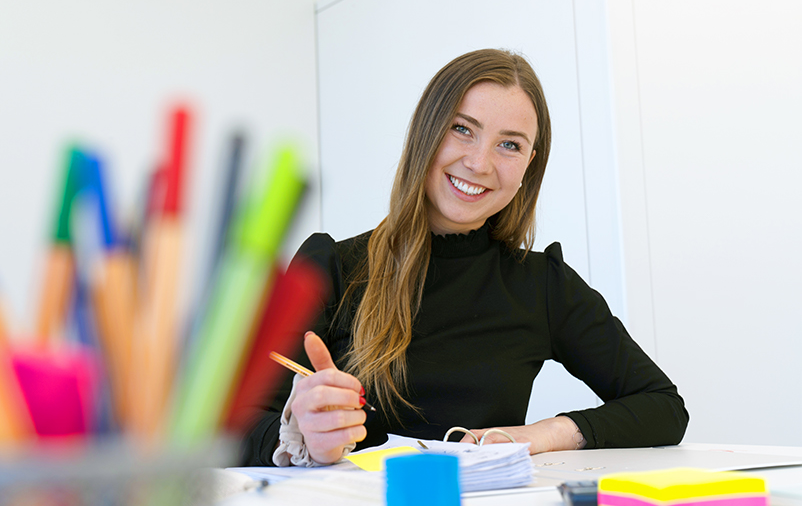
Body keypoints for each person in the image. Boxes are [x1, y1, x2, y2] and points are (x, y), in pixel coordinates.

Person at [241, 48, 689, 467]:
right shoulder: (329, 268)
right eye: (462, 129)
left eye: (509, 145)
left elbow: (663, 407)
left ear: (529, 164)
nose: (479, 162)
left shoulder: (544, 285)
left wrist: (543, 434)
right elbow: (233, 431)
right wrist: (298, 437)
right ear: (426, 133)